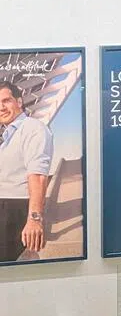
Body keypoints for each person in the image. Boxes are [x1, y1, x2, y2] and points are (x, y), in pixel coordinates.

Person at [0, 81, 53, 263]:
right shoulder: (9, 135)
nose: (1, 107)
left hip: (14, 211)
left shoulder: (33, 128)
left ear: (19, 101)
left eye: (6, 101)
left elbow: (38, 176)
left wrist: (34, 219)